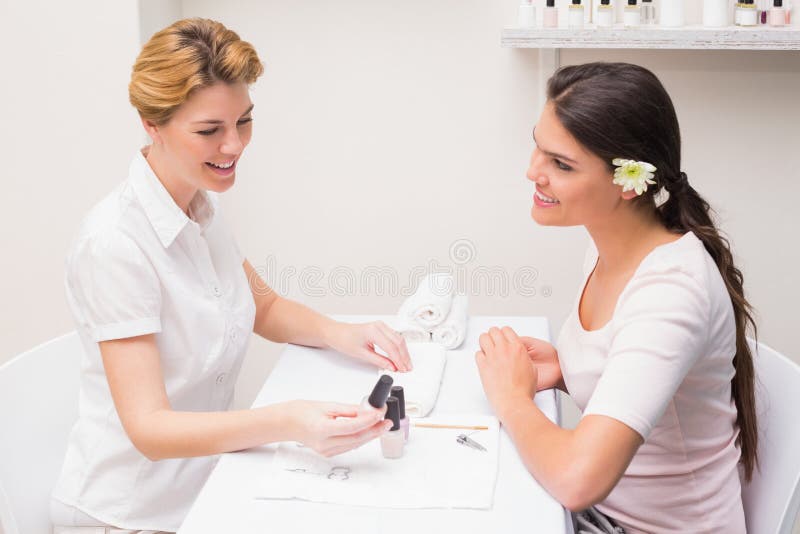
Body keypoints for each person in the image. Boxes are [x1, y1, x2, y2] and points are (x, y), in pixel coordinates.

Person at [50, 18, 411, 534]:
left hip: (205, 486)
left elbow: (260, 303)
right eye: (209, 130)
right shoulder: (115, 245)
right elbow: (149, 430)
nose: (234, 145)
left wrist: (345, 334)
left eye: (243, 121)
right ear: (151, 123)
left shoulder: (196, 204)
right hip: (128, 516)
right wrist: (290, 422)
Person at [475, 62, 757, 533]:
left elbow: (576, 480)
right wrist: (568, 369)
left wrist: (512, 399)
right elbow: (646, 377)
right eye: (538, 148)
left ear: (629, 182)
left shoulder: (671, 292)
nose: (532, 172)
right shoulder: (611, 244)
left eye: (560, 164)